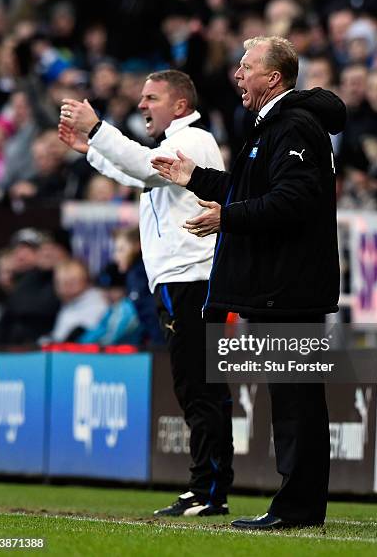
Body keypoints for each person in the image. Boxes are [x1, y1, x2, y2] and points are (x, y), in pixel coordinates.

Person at [152, 36, 347, 530]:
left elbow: (293, 200)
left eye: (246, 68)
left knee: (296, 400)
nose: (237, 76)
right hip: (277, 284)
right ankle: (297, 505)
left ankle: (297, 508)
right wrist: (195, 177)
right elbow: (251, 190)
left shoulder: (296, 126)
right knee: (290, 398)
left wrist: (228, 218)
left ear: (273, 78)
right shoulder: (272, 126)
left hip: (291, 286)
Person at [58, 69, 233, 517]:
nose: (141, 106)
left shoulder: (192, 140)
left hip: (190, 279)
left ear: (179, 105)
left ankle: (207, 488)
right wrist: (91, 151)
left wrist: (96, 129)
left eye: (150, 97)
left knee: (198, 386)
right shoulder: (181, 143)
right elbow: (141, 176)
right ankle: (208, 486)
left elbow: (142, 167)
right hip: (185, 279)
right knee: (198, 385)